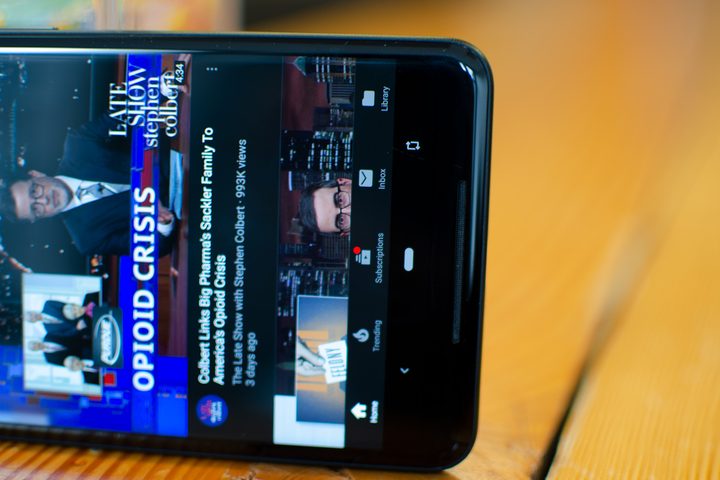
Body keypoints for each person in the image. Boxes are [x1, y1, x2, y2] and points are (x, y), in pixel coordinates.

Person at [0, 115, 175, 256]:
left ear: (36, 175)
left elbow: (131, 107)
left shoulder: (79, 143)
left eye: (35, 191)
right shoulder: (88, 239)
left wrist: (163, 90)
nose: (44, 200)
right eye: (36, 209)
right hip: (184, 212)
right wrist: (162, 222)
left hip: (184, 154)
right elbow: (154, 248)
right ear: (37, 219)